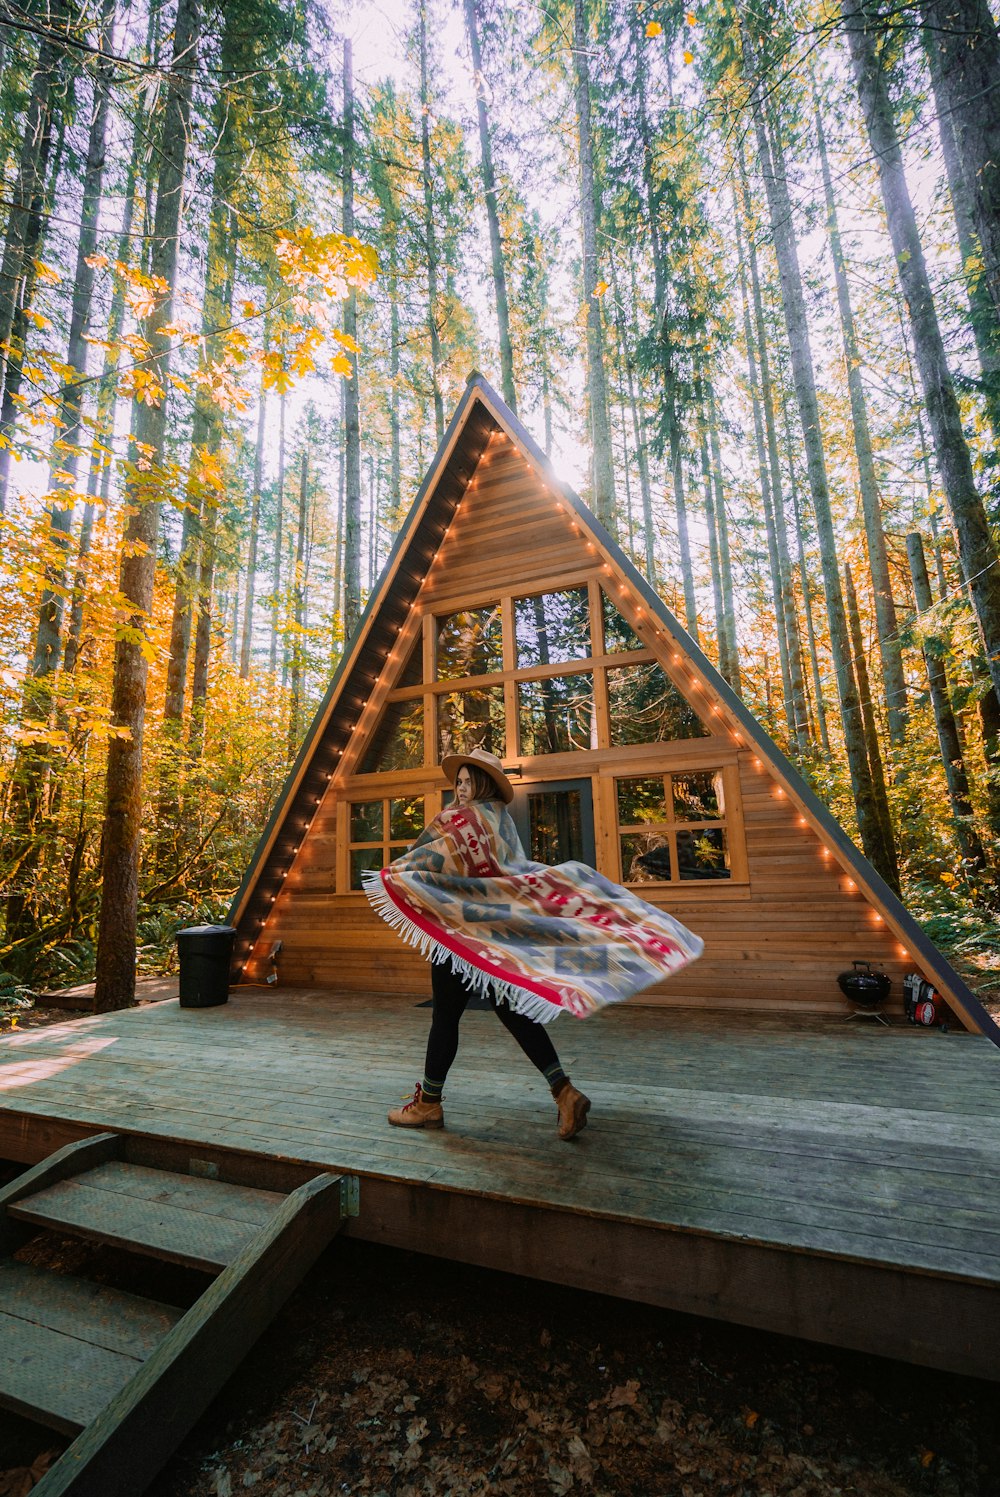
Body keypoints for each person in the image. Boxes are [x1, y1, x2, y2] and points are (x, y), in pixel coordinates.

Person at [363, 746, 703, 1143]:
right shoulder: (499, 820)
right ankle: (564, 1093)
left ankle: (429, 1105)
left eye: (469, 781)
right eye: (458, 781)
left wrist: (394, 875)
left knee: (447, 1016)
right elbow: (509, 872)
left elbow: (423, 862)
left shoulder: (456, 821)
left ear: (484, 784)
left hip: (462, 933)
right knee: (510, 1010)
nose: (461, 788)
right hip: (498, 933)